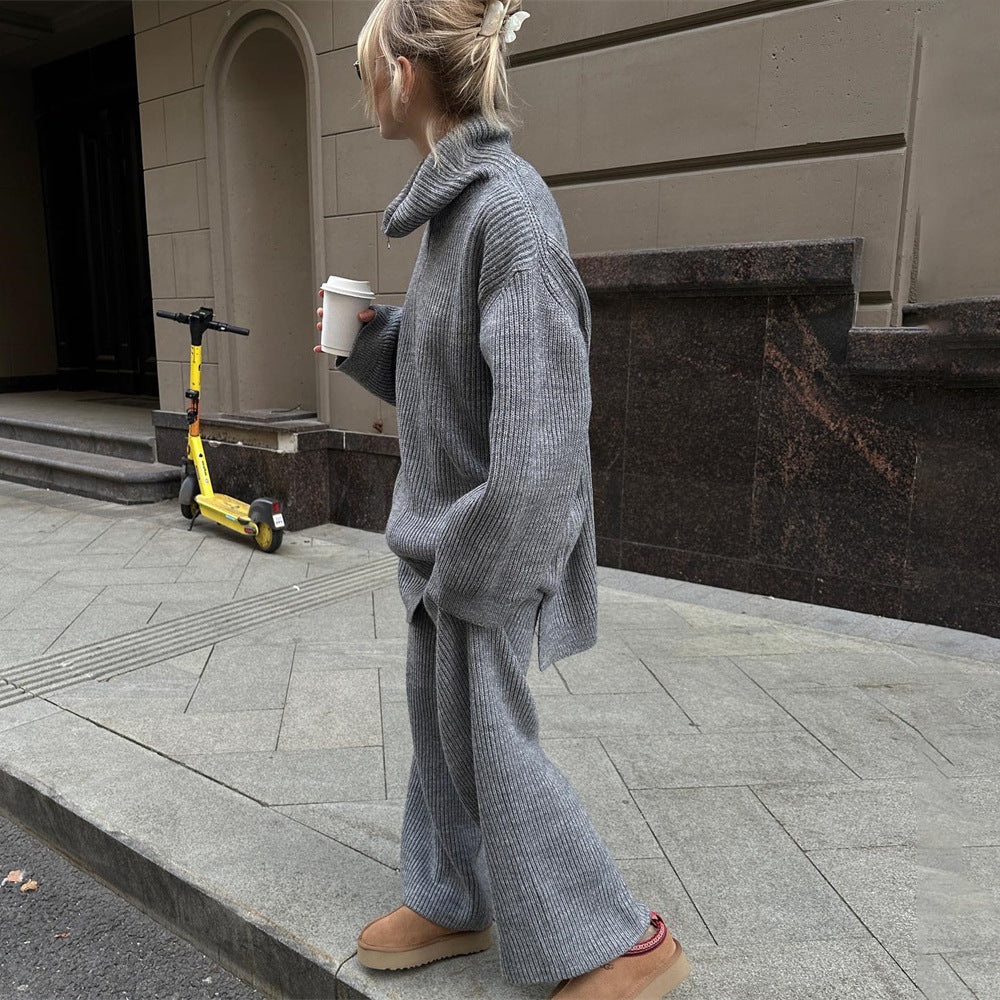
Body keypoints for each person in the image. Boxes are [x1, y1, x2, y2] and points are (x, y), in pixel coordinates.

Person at [314, 2, 692, 997]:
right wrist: (362, 337)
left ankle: (620, 939)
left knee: (492, 745)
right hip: (444, 548)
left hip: (482, 548)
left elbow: (542, 433)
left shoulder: (509, 212)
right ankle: (451, 896)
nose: (365, 92)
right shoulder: (455, 216)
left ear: (402, 75)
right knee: (442, 731)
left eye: (365, 71)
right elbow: (449, 381)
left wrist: (475, 570)